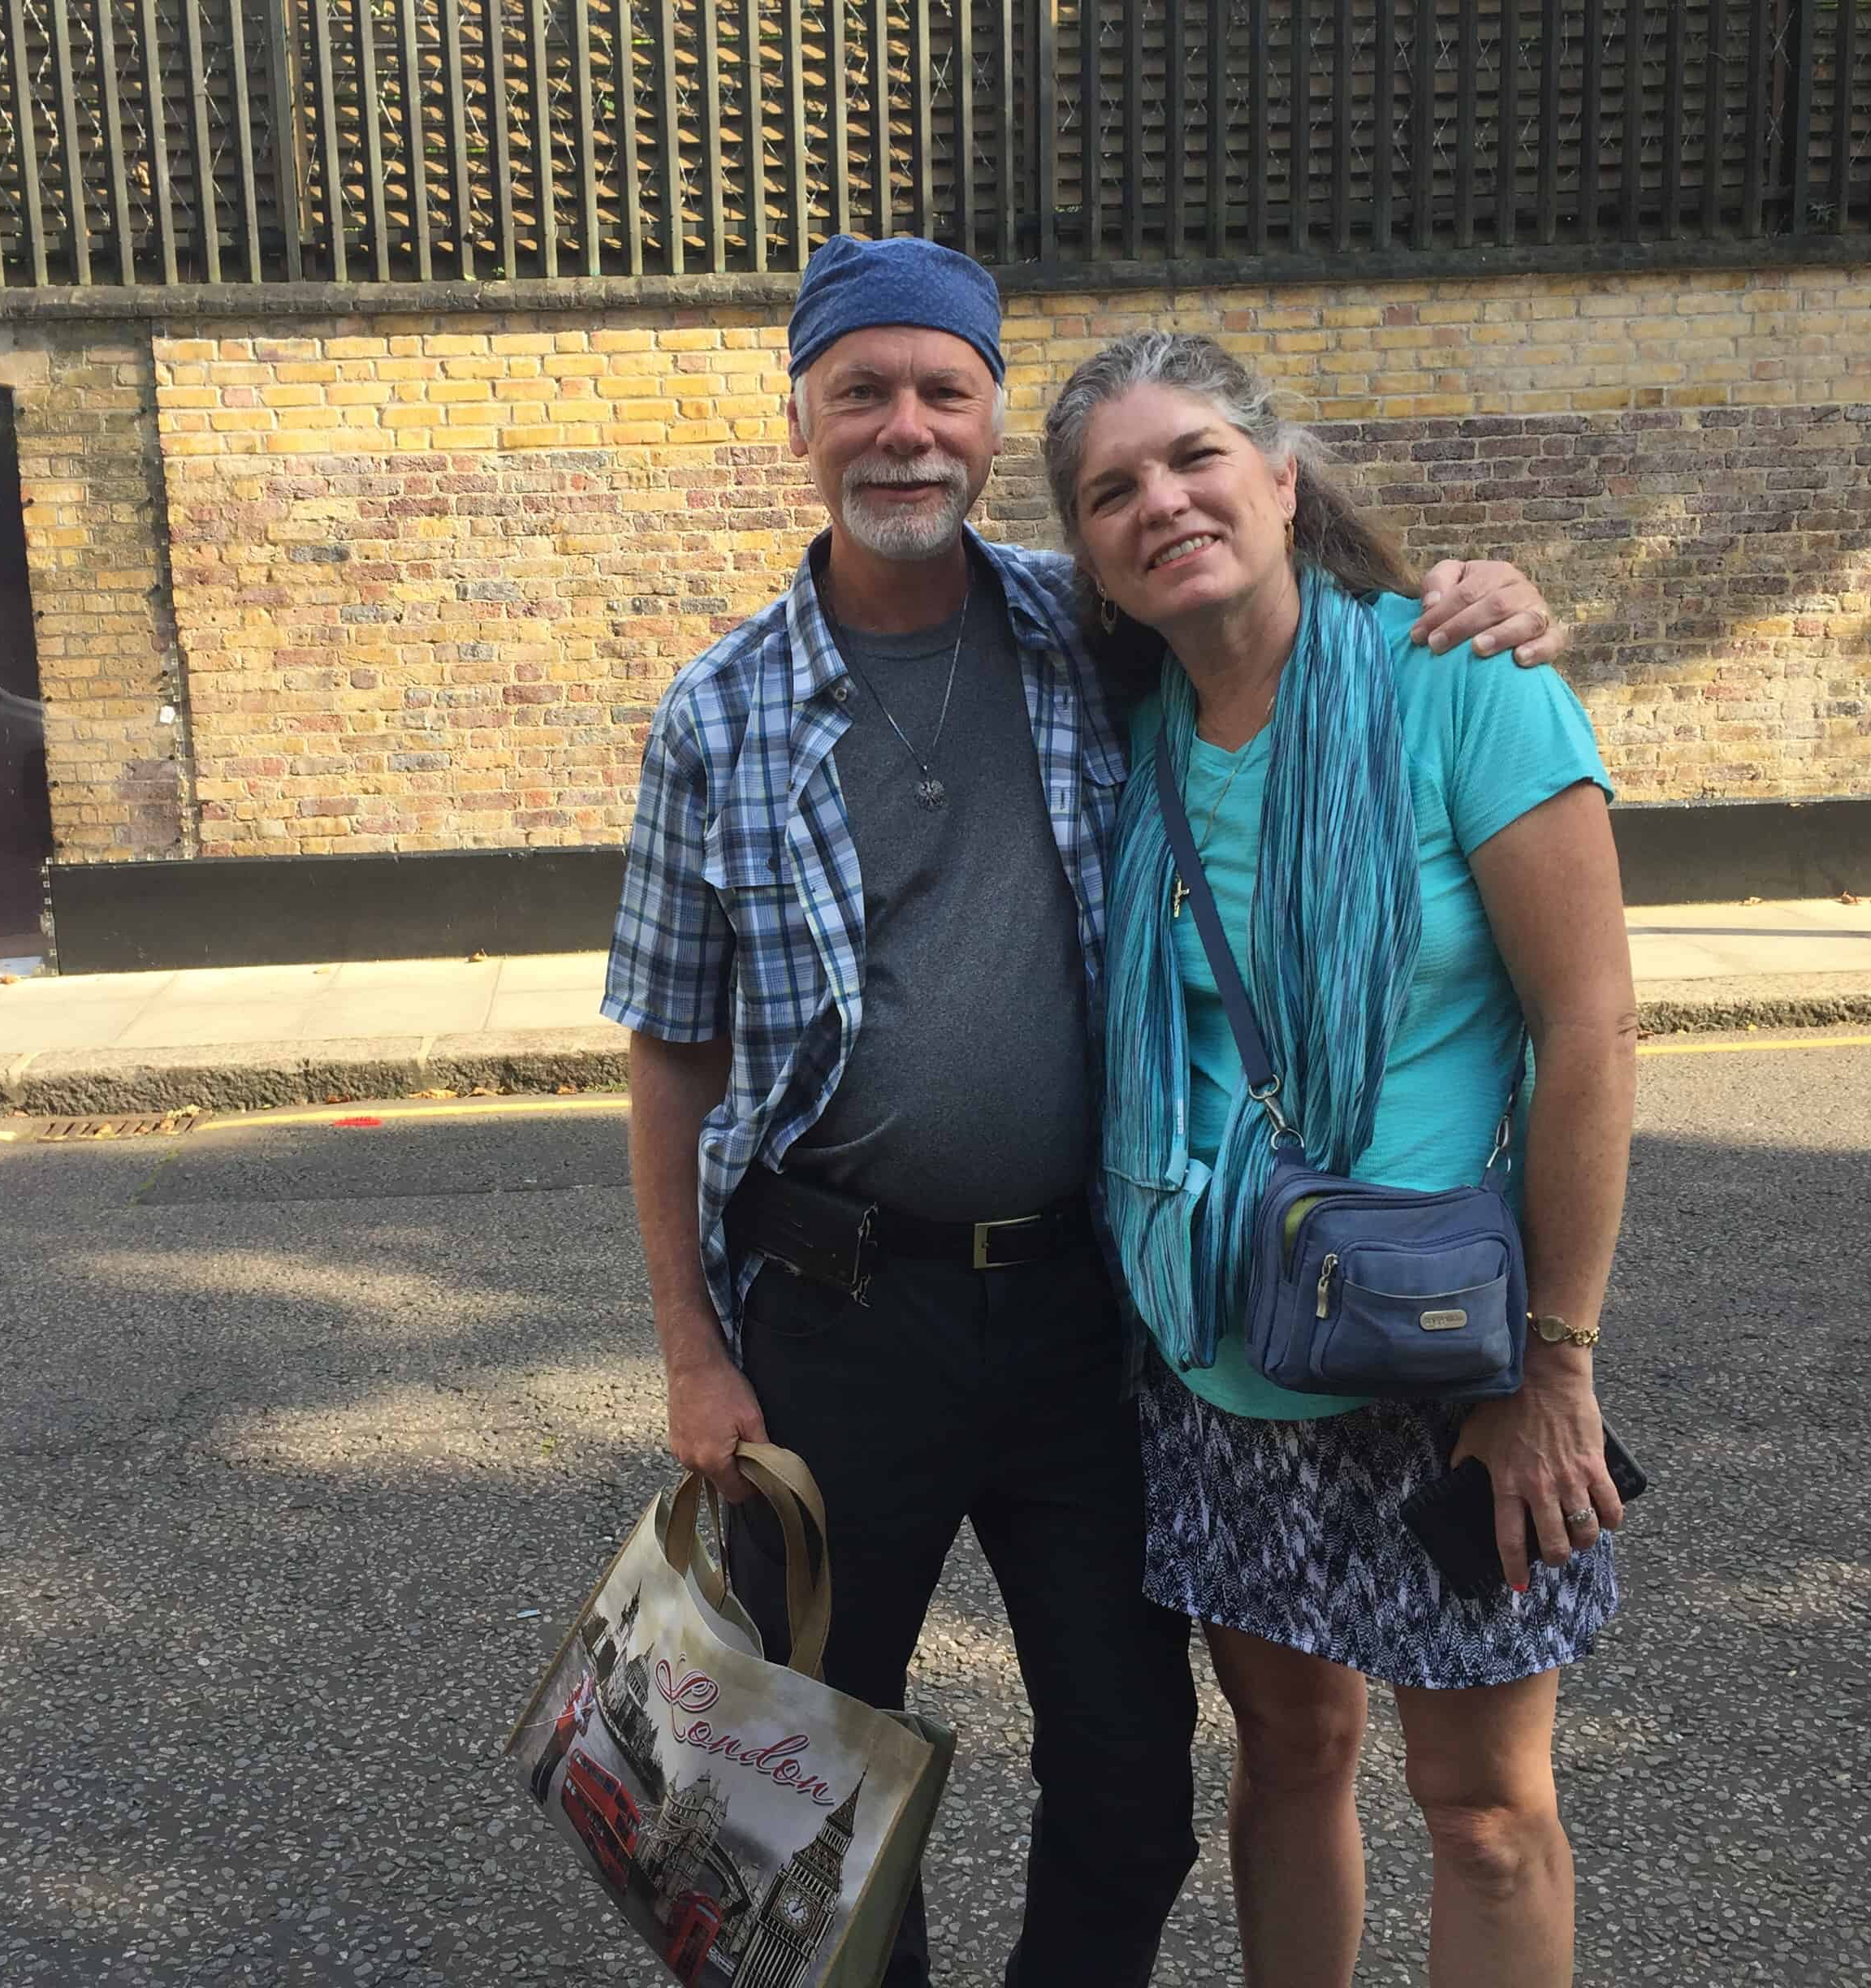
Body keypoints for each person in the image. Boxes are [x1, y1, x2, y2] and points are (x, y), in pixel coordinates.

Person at [605, 236, 1569, 1988]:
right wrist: (690, 1344)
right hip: (832, 1316)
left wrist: (1480, 589)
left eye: (945, 392)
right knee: (790, 1771)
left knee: (1131, 1778)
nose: (905, 429)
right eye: (861, 393)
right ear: (801, 422)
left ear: (983, 426)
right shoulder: (718, 707)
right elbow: (670, 1044)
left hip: (1088, 1312)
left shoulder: (1093, 624)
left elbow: (1283, 616)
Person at [1046, 329, 1636, 1988]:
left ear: (1285, 481)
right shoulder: (1132, 731)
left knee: (1486, 1810)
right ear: (1087, 553)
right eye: (1113, 490)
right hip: (1223, 1360)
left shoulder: (1469, 682)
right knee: (1292, 1751)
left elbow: (1588, 1033)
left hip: (1459, 1361)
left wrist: (1558, 1364)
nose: (1162, 501)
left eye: (1197, 457)